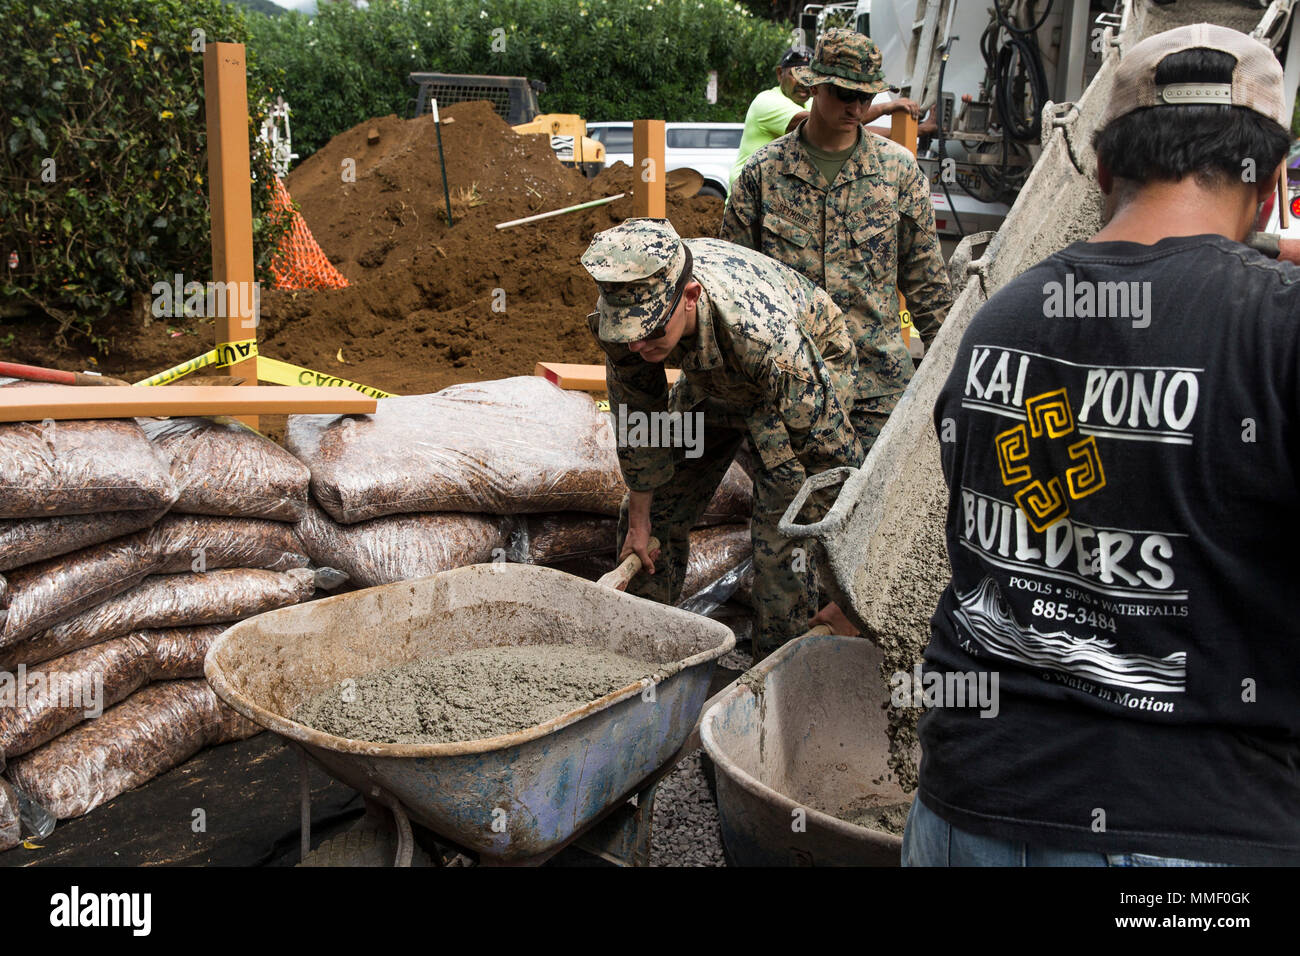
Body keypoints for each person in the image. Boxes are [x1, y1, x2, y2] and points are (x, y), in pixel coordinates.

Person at [906, 23, 1300, 866]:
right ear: (1268, 189)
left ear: (1102, 170)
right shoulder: (1276, 328)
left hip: (963, 813)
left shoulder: (999, 319)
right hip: (1190, 834)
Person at [581, 219, 864, 656]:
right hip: (714, 375)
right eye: (628, 337)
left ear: (690, 297)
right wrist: (641, 522)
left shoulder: (768, 341)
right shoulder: (629, 319)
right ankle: (636, 659)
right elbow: (640, 423)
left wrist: (852, 598)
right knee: (656, 512)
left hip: (805, 366)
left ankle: (772, 681)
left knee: (781, 538)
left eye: (652, 332)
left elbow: (833, 466)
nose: (638, 347)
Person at [721, 28, 951, 452]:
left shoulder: (897, 173)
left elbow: (928, 288)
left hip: (876, 391)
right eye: (845, 94)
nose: (857, 107)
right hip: (790, 390)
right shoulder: (763, 175)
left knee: (879, 516)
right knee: (792, 516)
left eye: (866, 98)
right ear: (815, 86)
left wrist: (954, 378)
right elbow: (733, 291)